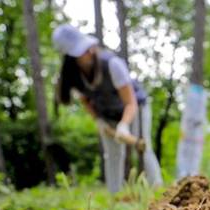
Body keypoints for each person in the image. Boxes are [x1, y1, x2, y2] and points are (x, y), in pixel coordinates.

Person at [52, 24, 162, 193]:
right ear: (70, 57)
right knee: (112, 154)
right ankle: (114, 195)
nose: (89, 51)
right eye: (81, 51)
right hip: (107, 114)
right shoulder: (73, 77)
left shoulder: (112, 64)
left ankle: (158, 189)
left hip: (135, 108)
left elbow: (130, 102)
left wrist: (124, 126)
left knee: (144, 148)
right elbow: (86, 101)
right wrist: (99, 121)